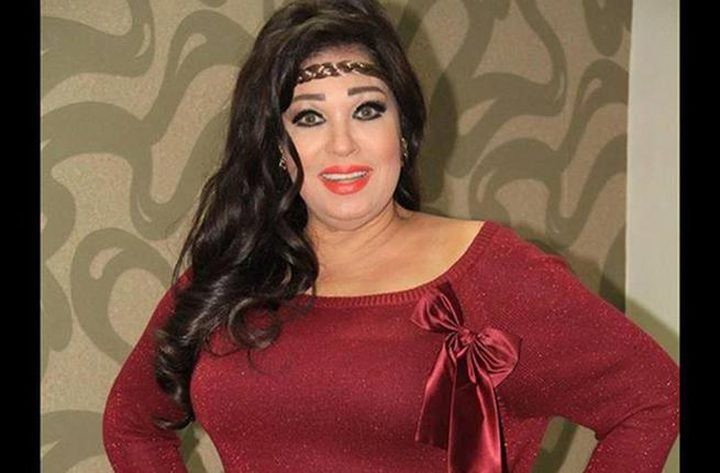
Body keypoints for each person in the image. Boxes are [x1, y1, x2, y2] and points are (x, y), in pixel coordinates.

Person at [102, 0, 679, 472]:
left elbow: (652, 396)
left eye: (367, 110)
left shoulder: (492, 268)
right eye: (309, 117)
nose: (342, 144)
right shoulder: (230, 275)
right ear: (278, 148)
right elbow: (131, 425)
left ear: (403, 131)